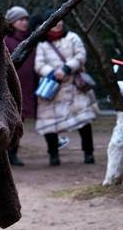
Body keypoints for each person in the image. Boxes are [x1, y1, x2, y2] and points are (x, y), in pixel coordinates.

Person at [34, 19, 99, 166]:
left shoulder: (73, 37)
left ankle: (88, 153)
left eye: (60, 21)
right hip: (52, 88)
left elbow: (81, 55)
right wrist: (52, 72)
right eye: (54, 21)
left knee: (83, 120)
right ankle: (53, 155)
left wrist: (66, 69)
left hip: (74, 86)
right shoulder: (42, 44)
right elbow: (38, 65)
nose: (58, 24)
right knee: (49, 124)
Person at [2, 6, 37, 166]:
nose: (24, 22)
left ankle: (13, 153)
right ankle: (5, 154)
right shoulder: (5, 40)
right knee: (8, 121)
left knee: (19, 122)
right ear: (12, 22)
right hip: (10, 88)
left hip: (27, 87)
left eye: (25, 19)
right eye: (20, 19)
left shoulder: (30, 39)